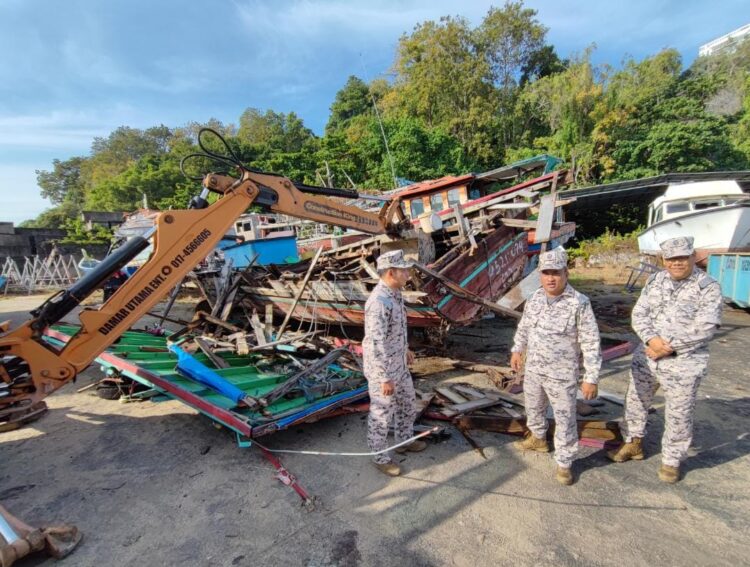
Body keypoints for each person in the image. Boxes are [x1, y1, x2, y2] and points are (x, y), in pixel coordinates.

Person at [608, 236, 722, 483]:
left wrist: (668, 347)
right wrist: (651, 340)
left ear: (693, 257)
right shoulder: (656, 280)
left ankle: (672, 460)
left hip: (684, 360)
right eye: (672, 258)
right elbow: (640, 313)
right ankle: (633, 442)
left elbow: (707, 326)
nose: (677, 263)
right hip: (648, 354)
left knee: (679, 412)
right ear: (664, 260)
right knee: (636, 399)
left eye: (682, 257)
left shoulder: (708, 287)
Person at [510, 248, 602, 485]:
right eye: (546, 273)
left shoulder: (579, 303)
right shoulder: (535, 298)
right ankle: (539, 439)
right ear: (540, 275)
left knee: (564, 419)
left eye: (556, 273)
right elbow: (525, 327)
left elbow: (591, 341)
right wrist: (517, 349)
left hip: (562, 374)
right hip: (534, 369)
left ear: (566, 273)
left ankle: (565, 462)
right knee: (533, 407)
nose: (551, 278)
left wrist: (591, 376)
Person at [363, 249, 424, 476]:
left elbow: (396, 330)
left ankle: (404, 439)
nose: (408, 273)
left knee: (408, 404)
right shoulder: (378, 302)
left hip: (399, 364)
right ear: (391, 272)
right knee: (381, 415)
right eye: (404, 270)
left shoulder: (395, 294)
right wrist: (383, 378)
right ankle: (379, 456)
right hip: (383, 371)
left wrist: (406, 349)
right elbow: (375, 343)